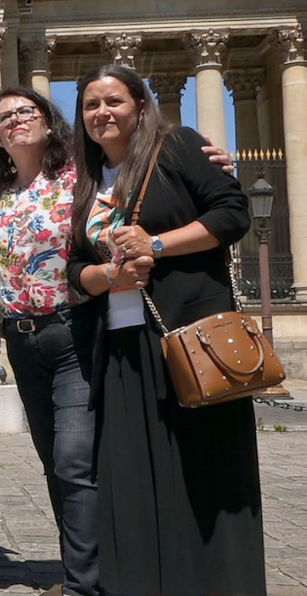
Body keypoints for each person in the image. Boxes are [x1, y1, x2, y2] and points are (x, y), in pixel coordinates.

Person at [67, 64, 263, 596]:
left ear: (140, 105)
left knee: (203, 474)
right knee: (132, 481)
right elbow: (74, 271)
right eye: (90, 105)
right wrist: (109, 275)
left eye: (114, 101)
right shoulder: (88, 181)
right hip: (122, 347)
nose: (102, 113)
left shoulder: (175, 147)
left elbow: (232, 213)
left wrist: (155, 245)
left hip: (189, 337)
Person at [0, 87, 99, 596]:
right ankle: (82, 572)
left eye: (24, 112)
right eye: (3, 118)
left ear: (49, 122)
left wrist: (207, 160)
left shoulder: (79, 177)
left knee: (76, 458)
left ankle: (86, 585)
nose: (14, 122)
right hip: (22, 342)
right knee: (54, 461)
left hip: (73, 331)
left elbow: (139, 179)